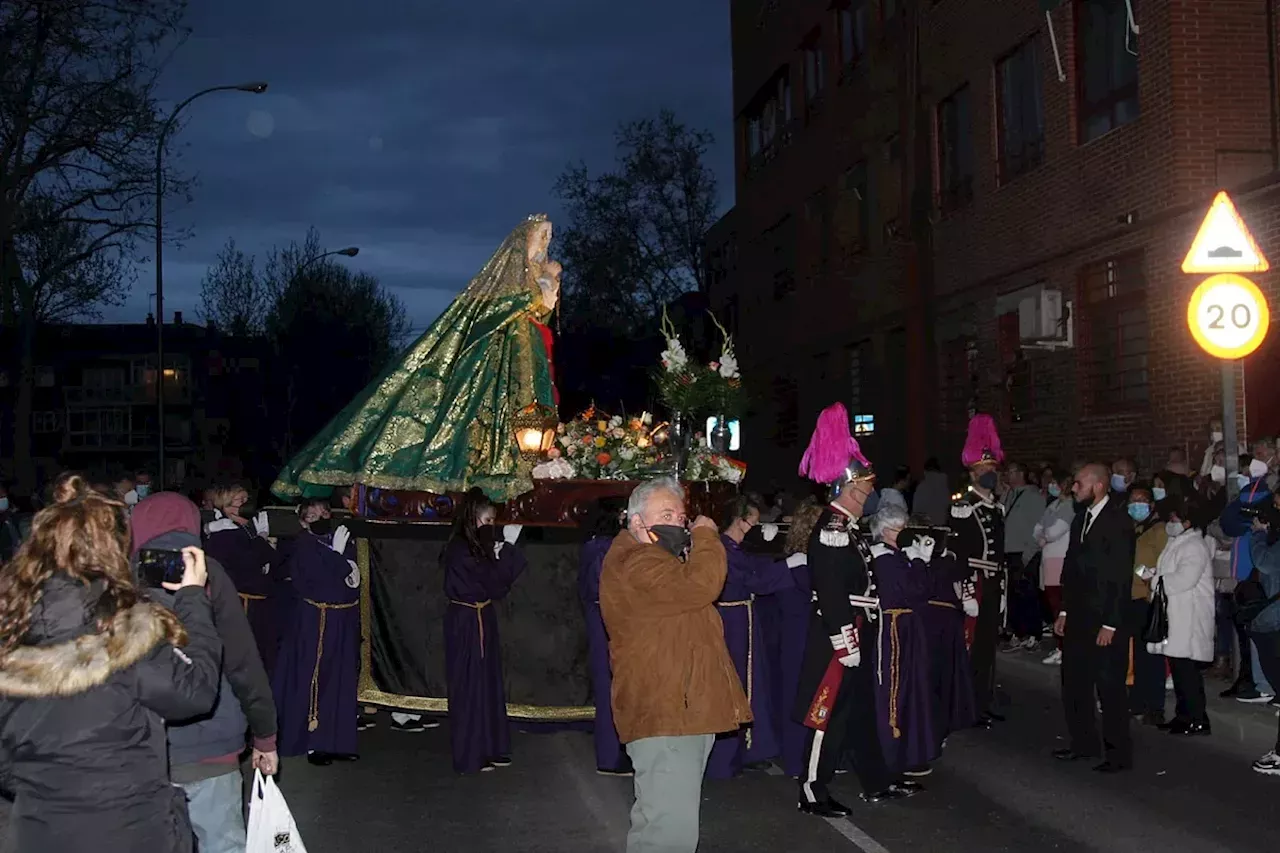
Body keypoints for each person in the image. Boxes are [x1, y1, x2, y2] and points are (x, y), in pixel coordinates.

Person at [0, 475, 222, 853]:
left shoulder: (10, 628)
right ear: (113, 548)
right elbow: (195, 692)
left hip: (38, 830)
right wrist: (192, 599)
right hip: (129, 829)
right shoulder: (125, 633)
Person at [272, 215, 561, 504]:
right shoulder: (506, 284)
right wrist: (539, 290)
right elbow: (494, 314)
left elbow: (540, 315)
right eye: (541, 236)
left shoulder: (538, 280)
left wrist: (546, 288)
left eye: (549, 237)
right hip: (496, 368)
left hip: (527, 366)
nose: (545, 243)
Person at [600, 477, 749, 853]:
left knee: (664, 822)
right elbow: (702, 585)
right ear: (636, 522)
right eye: (666, 514)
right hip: (667, 713)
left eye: (682, 517)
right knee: (669, 833)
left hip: (679, 711)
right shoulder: (637, 560)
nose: (679, 523)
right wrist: (706, 536)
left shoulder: (654, 558)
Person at [131, 491, 280, 853]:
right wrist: (265, 736)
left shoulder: (121, 576)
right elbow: (242, 661)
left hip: (141, 747)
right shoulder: (208, 573)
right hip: (212, 744)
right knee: (223, 844)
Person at [794, 403, 915, 816]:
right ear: (846, 489)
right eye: (864, 490)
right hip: (839, 636)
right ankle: (812, 789)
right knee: (826, 713)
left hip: (860, 629)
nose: (869, 497)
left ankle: (875, 780)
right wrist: (845, 640)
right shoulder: (831, 529)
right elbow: (830, 591)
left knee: (860, 710)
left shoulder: (848, 528)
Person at [706, 495, 799, 779]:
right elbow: (752, 579)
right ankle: (728, 756)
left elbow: (754, 566)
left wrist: (775, 553)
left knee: (752, 683)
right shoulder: (720, 548)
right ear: (740, 520)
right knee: (736, 683)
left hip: (743, 618)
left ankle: (750, 748)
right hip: (731, 621)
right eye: (753, 522)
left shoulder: (734, 547)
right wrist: (788, 565)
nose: (756, 527)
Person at [1053, 463, 1136, 773]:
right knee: (1074, 683)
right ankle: (1083, 743)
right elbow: (1070, 569)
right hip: (1078, 617)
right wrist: (1063, 610)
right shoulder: (1080, 520)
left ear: (1098, 485)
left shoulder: (1118, 522)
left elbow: (1120, 577)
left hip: (1105, 620)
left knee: (1110, 687)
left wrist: (1111, 623)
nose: (1074, 489)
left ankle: (1118, 754)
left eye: (1078, 484)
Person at [440, 489, 527, 773]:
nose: (492, 526)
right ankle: (470, 754)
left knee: (487, 685)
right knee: (469, 686)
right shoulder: (461, 549)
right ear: (472, 518)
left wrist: (497, 553)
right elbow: (493, 584)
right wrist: (507, 552)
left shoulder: (475, 545)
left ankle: (491, 746)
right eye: (487, 520)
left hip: (481, 616)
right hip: (467, 620)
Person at [273, 498, 362, 765]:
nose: (321, 518)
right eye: (313, 516)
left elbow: (353, 580)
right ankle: (313, 742)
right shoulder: (303, 545)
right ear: (303, 521)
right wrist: (338, 559)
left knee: (341, 679)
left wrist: (344, 563)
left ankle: (338, 740)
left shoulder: (340, 541)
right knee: (315, 678)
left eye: (324, 512)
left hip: (343, 618)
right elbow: (322, 579)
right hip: (317, 620)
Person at [868, 506, 939, 777]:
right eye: (901, 530)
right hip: (895, 628)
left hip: (906, 626)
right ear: (887, 531)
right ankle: (892, 753)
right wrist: (920, 562)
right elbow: (916, 591)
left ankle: (909, 750)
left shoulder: (895, 556)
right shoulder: (885, 558)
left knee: (912, 687)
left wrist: (921, 561)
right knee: (895, 688)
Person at [949, 413, 1007, 725]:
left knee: (987, 647)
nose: (990, 474)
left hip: (994, 583)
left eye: (993, 469)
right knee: (971, 648)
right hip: (975, 583)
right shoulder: (964, 507)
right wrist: (966, 592)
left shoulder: (995, 506)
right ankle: (967, 706)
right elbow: (957, 555)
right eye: (983, 470)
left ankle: (984, 701)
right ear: (972, 474)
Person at [1146, 494, 1215, 736]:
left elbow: (1184, 579)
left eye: (1174, 517)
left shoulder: (1194, 545)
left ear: (1187, 521)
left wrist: (1154, 580)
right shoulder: (1179, 542)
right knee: (1179, 670)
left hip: (1189, 617)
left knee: (1188, 673)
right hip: (1177, 615)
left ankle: (1197, 718)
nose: (1170, 522)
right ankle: (1183, 716)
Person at [203, 483, 285, 676]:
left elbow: (275, 564)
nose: (247, 506)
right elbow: (254, 562)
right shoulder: (224, 533)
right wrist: (260, 539)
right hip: (242, 603)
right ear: (226, 506)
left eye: (248, 500)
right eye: (241, 501)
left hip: (255, 604)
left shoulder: (242, 530)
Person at [578, 497, 631, 776]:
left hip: (608, 620)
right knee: (609, 687)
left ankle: (617, 752)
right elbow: (604, 587)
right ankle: (610, 756)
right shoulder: (601, 547)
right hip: (607, 622)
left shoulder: (600, 544)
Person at [769, 498, 821, 779]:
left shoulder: (803, 563)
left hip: (807, 634)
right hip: (798, 636)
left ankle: (810, 756)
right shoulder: (793, 565)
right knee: (796, 695)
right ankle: (796, 758)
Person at [1126, 484, 1168, 724]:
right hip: (1128, 598)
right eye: (1133, 500)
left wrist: (1140, 571)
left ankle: (1155, 706)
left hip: (1147, 599)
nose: (1136, 505)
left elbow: (1162, 565)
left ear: (1151, 505)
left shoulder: (1158, 531)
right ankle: (1137, 700)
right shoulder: (1131, 528)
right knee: (1135, 656)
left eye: (1141, 500)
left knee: (1151, 656)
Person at [1001, 461, 1045, 650]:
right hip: (1009, 552)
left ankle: (1033, 633)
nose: (1007, 476)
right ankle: (1017, 632)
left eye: (1010, 472)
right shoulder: (1009, 495)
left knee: (1027, 593)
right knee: (1013, 595)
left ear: (1021, 474)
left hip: (1025, 552)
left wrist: (1028, 554)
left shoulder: (1033, 496)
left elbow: (1038, 528)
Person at [912, 457, 951, 525]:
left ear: (925, 471)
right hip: (941, 525)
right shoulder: (944, 486)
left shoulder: (922, 487)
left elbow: (916, 510)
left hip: (926, 526)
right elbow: (948, 504)